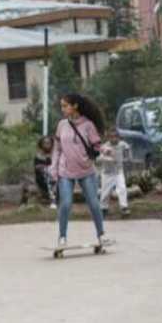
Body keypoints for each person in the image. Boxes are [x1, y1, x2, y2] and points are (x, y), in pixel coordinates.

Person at [49, 93, 110, 248]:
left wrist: (105, 150)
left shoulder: (88, 125)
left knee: (94, 204)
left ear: (75, 106)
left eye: (65, 105)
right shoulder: (62, 125)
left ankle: (101, 235)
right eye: (61, 106)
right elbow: (57, 148)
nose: (62, 109)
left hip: (86, 170)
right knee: (66, 204)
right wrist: (53, 167)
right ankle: (62, 238)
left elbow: (96, 145)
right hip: (65, 171)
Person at [98, 127, 131, 218]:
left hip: (118, 172)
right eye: (111, 137)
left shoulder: (122, 144)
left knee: (122, 188)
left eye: (116, 137)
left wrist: (127, 157)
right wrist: (108, 158)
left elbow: (127, 149)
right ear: (108, 138)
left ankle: (124, 207)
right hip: (107, 173)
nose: (114, 139)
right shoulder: (105, 146)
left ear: (119, 137)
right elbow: (99, 158)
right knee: (105, 192)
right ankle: (103, 208)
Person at [34, 135, 57, 208]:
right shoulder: (38, 155)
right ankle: (53, 200)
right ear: (41, 144)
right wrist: (46, 168)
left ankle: (55, 199)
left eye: (49, 143)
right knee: (49, 179)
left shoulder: (55, 155)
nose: (47, 145)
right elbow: (37, 168)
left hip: (54, 176)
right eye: (45, 143)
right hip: (42, 178)